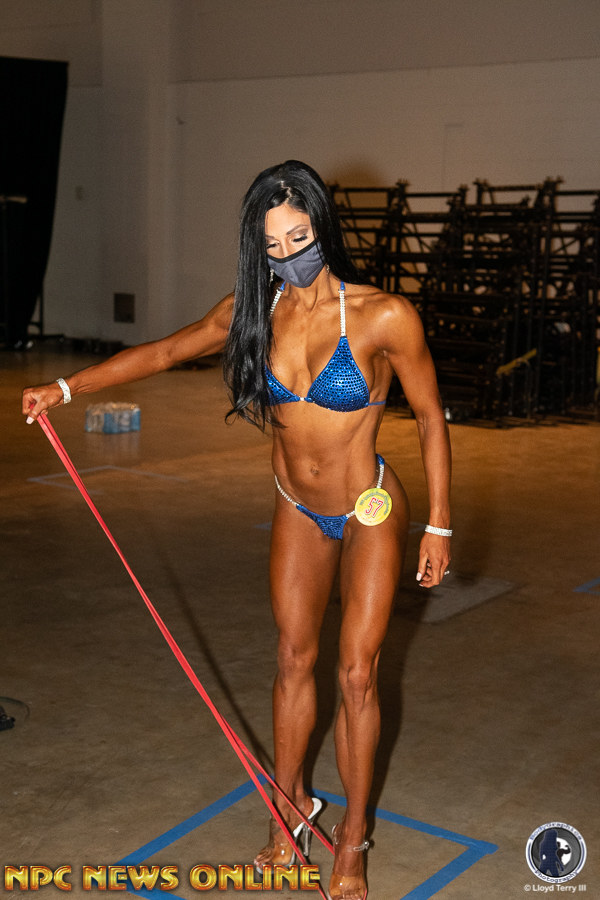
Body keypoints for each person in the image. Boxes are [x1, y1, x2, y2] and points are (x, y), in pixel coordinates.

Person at [22, 160, 451, 900]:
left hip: (369, 507)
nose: (287, 256)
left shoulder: (384, 316)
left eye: (299, 238)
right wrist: (65, 386)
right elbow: (165, 351)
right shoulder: (253, 312)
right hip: (296, 505)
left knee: (356, 674)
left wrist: (440, 524)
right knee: (292, 659)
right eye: (272, 245)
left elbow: (432, 419)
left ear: (323, 227)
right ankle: (290, 816)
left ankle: (353, 840)